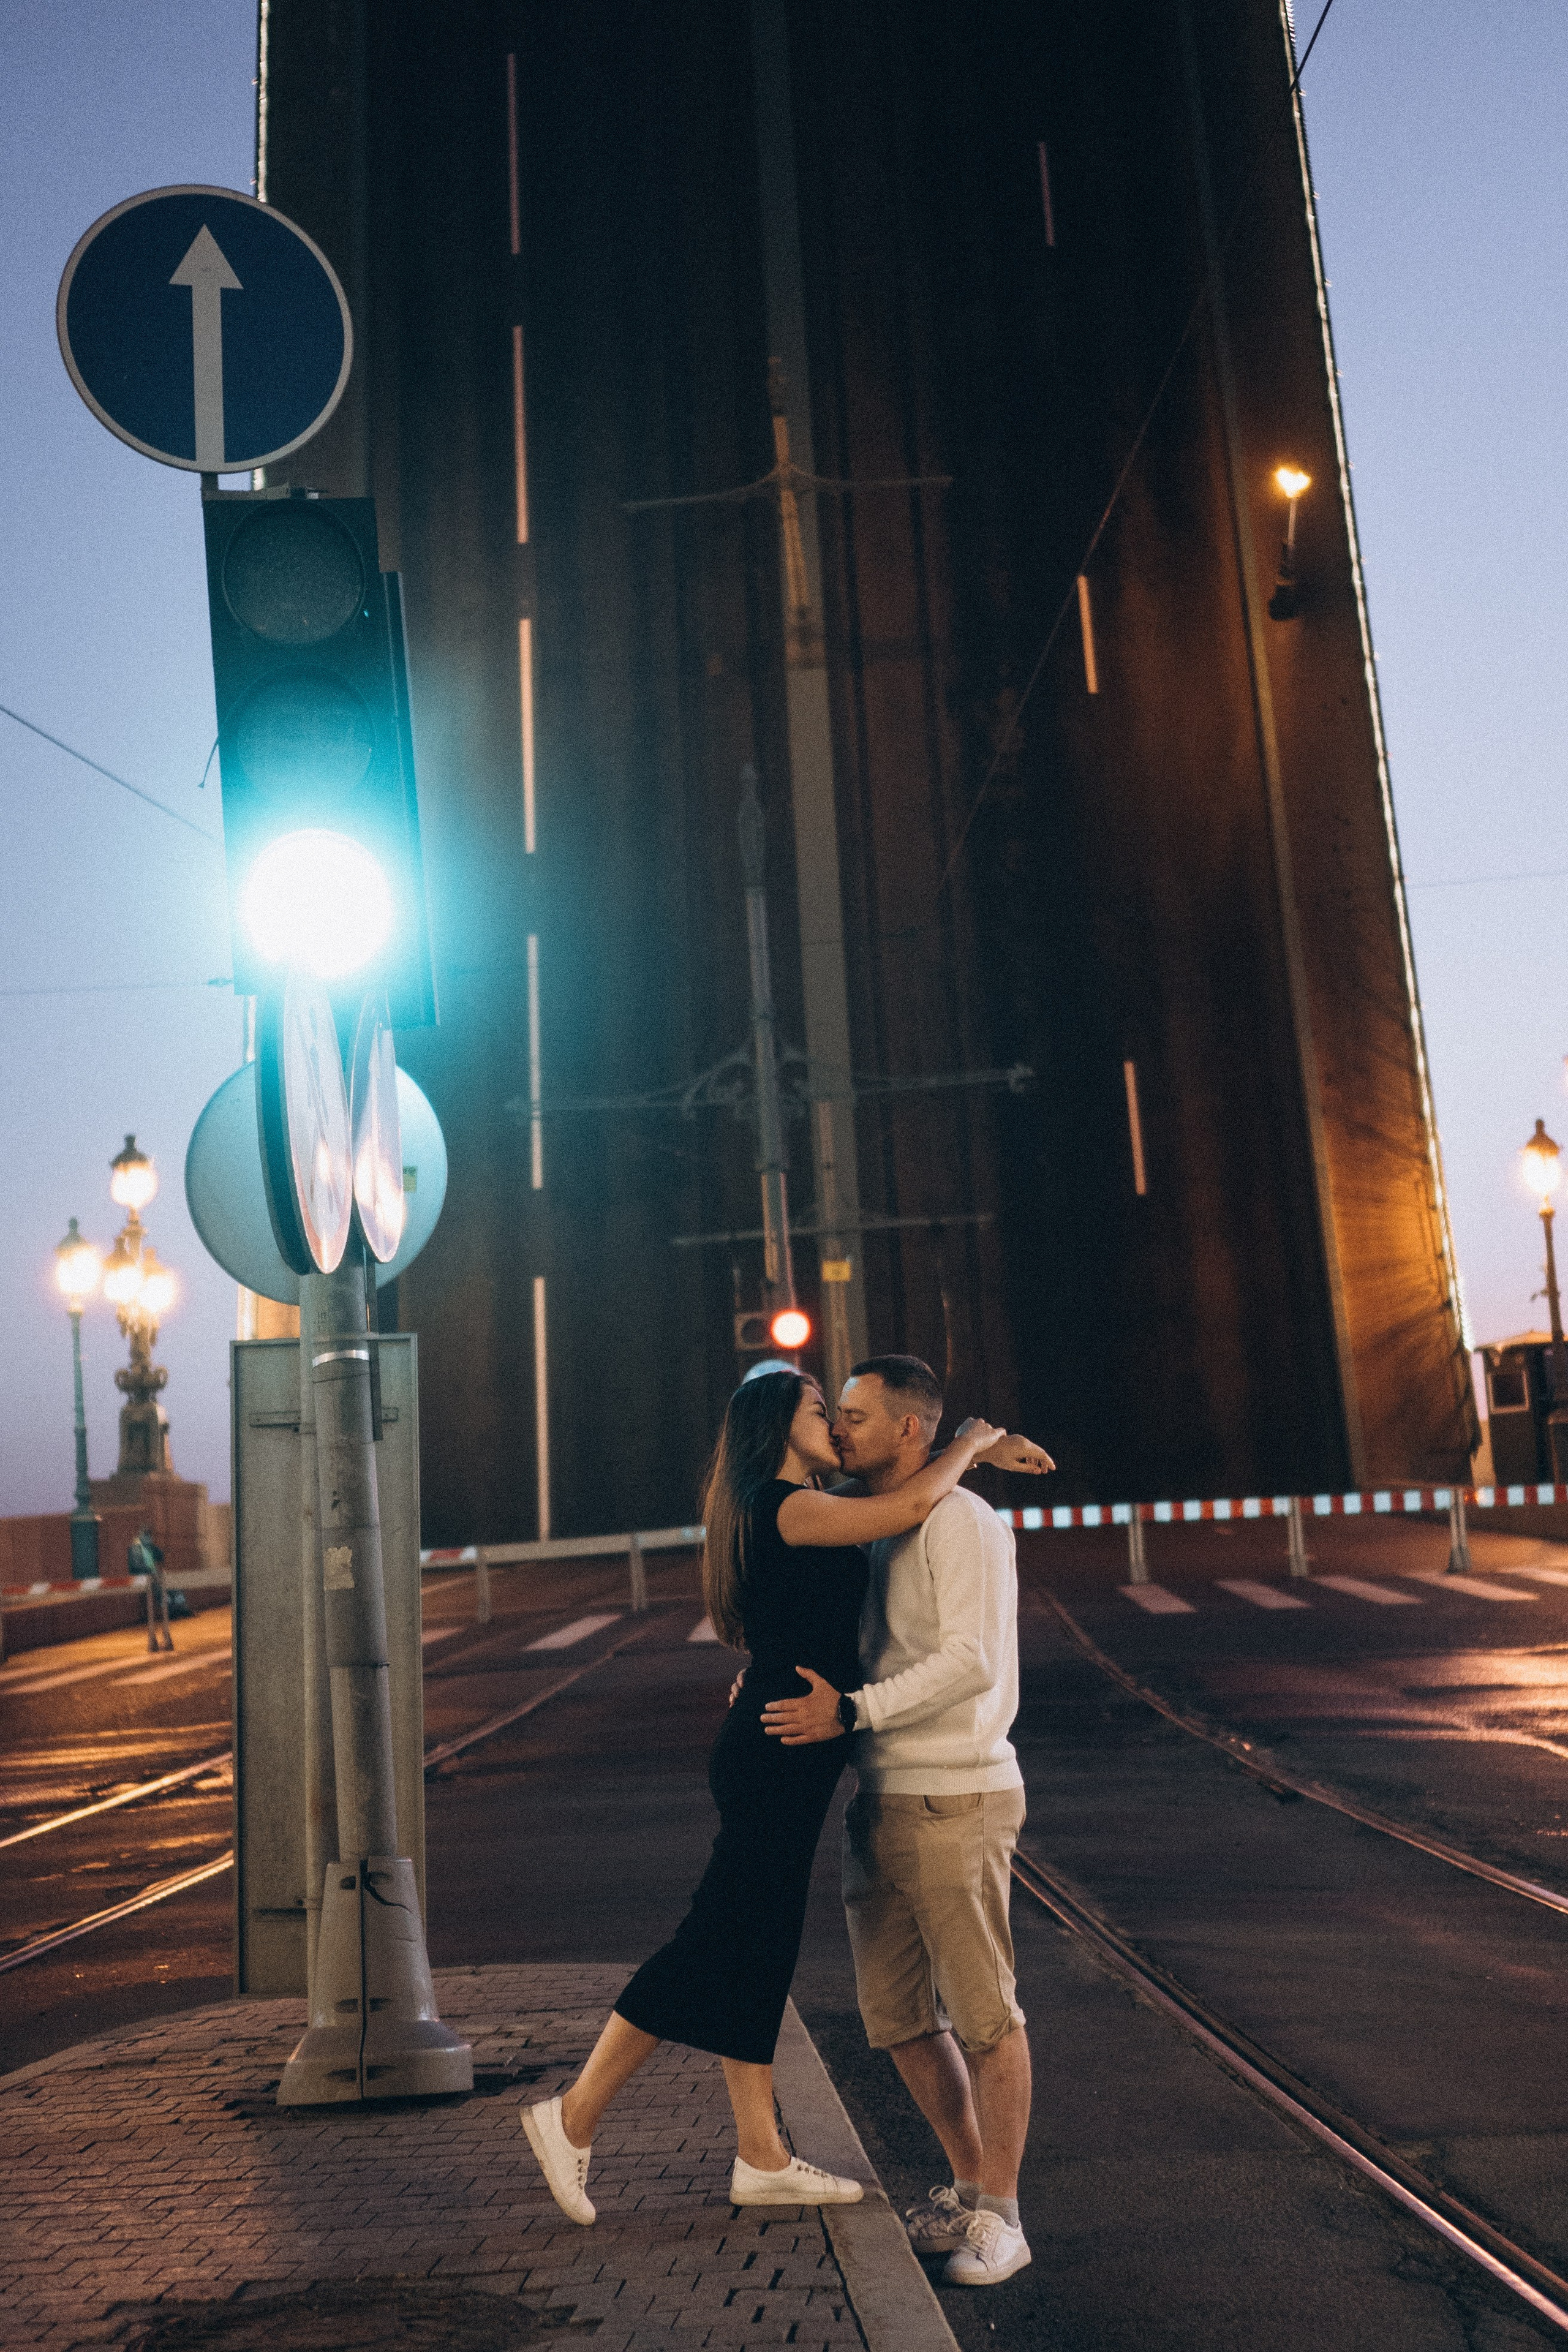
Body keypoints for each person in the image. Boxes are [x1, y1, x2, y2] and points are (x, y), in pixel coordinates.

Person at [519, 1367, 1007, 2226]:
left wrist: (966, 1452)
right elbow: (900, 1508)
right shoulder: (782, 1502)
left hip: (784, 1744)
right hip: (782, 1747)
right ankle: (572, 2116)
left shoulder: (786, 1500)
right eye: (824, 1411)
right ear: (780, 1422)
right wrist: (970, 1443)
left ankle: (761, 2154)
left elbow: (872, 1513)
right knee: (715, 1937)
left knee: (760, 1944)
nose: (839, 1428)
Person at [762, 1355, 1039, 2288]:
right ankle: (968, 2184)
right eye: (834, 1414)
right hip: (879, 1795)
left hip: (956, 1793)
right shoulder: (883, 1524)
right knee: (898, 2021)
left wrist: (855, 1710)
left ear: (912, 1430)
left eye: (856, 1417)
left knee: (987, 2015)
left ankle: (1003, 2214)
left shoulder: (960, 1520)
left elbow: (967, 1661)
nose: (839, 1432)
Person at [129, 1525, 172, 1653]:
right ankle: (156, 1636)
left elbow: (160, 1556)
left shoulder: (148, 1547)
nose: (149, 1539)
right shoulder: (136, 1548)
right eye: (147, 1536)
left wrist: (153, 1547)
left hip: (152, 1578)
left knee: (163, 1598)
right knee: (159, 1601)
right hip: (144, 1580)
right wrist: (149, 1572)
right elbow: (137, 1565)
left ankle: (168, 1610)